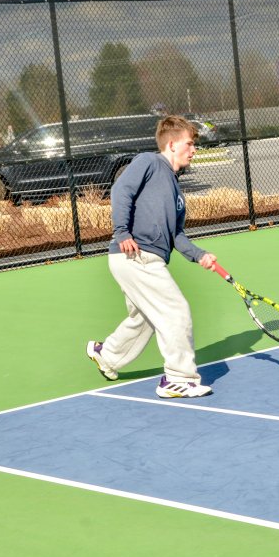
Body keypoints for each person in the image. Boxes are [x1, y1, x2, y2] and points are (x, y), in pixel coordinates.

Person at [87, 115, 217, 398]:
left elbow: (176, 235)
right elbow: (121, 189)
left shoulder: (176, 191)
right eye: (189, 143)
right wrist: (122, 232)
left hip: (143, 258)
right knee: (175, 311)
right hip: (135, 254)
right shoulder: (148, 162)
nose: (194, 150)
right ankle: (178, 378)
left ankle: (107, 355)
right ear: (172, 145)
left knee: (145, 318)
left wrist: (199, 255)